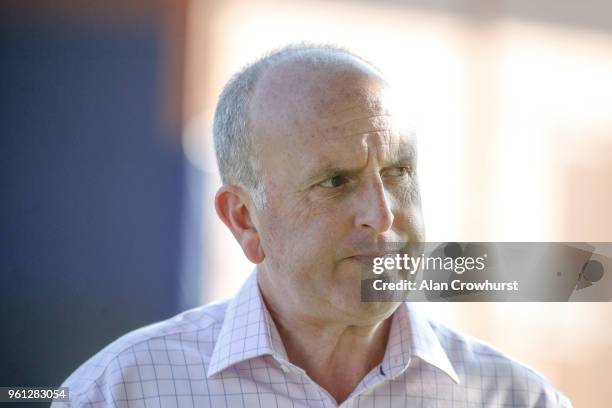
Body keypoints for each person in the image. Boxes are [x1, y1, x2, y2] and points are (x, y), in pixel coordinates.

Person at [53, 44, 572, 407]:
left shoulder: (517, 398)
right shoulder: (116, 393)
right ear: (244, 220)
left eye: (398, 173)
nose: (383, 215)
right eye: (335, 181)